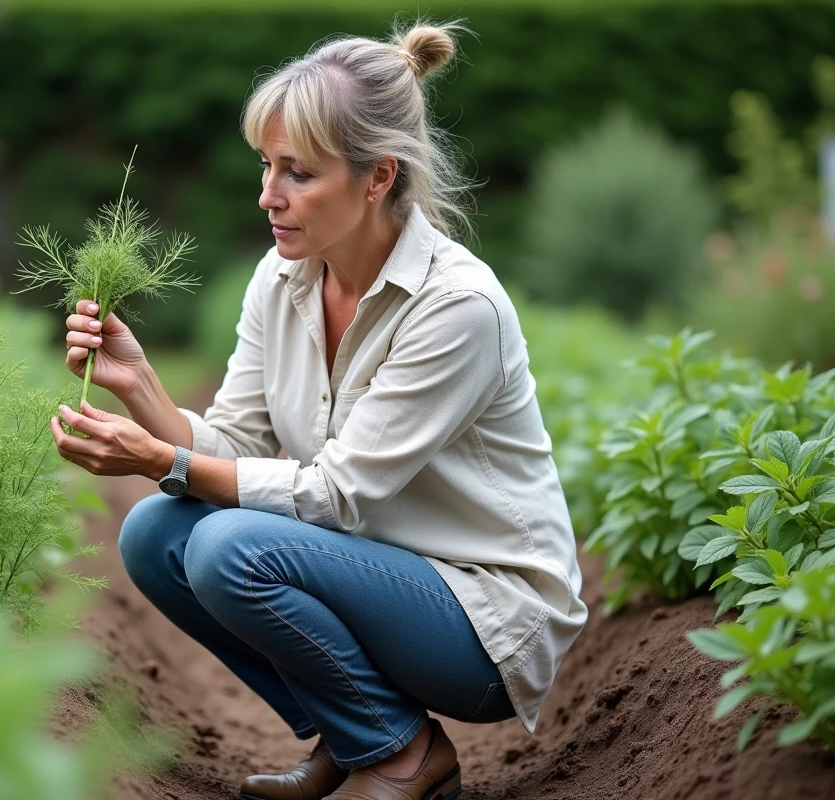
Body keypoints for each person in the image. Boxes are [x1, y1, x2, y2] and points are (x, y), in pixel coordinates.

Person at [48, 20, 587, 800]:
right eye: (267, 167)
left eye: (297, 173)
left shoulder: (456, 308)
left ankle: (403, 755)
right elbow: (237, 440)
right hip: (369, 568)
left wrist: (160, 461)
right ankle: (358, 734)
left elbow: (336, 496)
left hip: (483, 620)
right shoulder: (282, 276)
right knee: (156, 533)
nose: (268, 195)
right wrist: (141, 387)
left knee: (228, 549)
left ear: (377, 178)